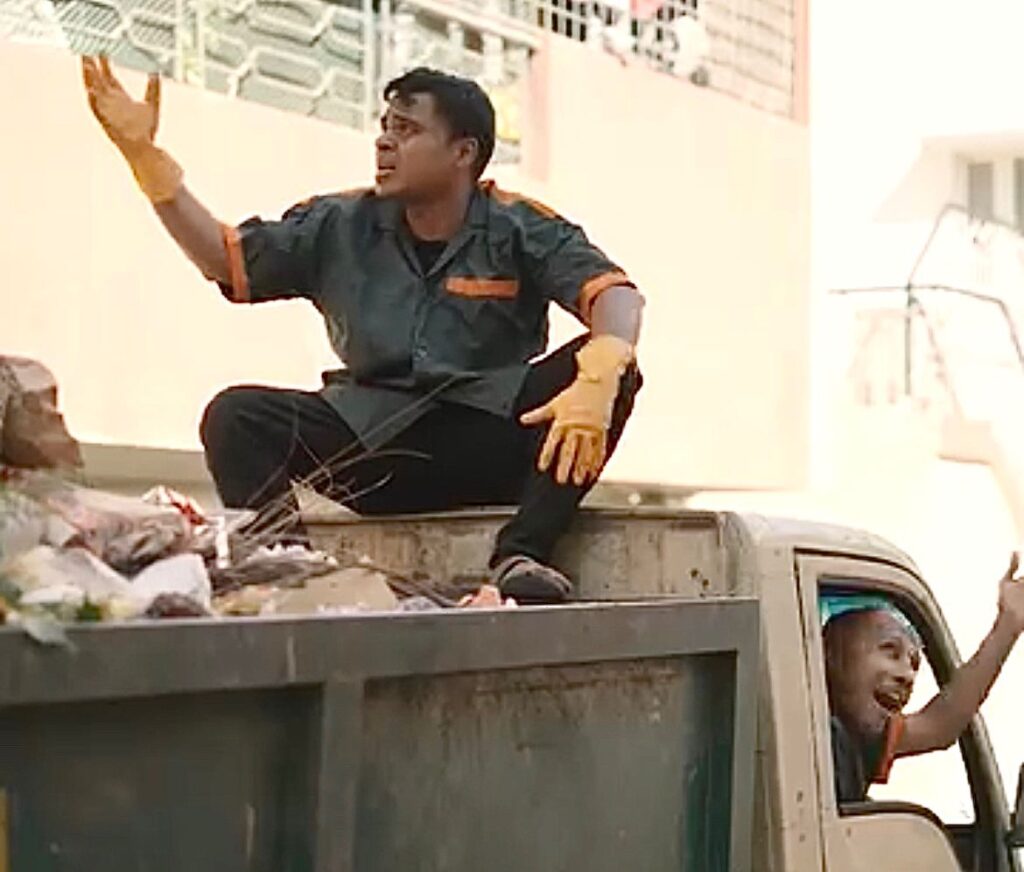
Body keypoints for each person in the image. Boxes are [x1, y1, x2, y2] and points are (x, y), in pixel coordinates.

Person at [79, 58, 645, 604]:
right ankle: (290, 570)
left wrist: (605, 361)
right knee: (236, 416)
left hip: (490, 439)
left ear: (463, 152)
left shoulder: (520, 225)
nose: (384, 142)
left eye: (407, 129)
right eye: (384, 127)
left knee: (612, 364)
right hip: (375, 447)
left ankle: (522, 556)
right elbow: (226, 259)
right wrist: (148, 163)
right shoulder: (339, 223)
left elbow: (614, 293)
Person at [823, 554, 1024, 804]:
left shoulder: (855, 739)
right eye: (890, 650)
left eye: (914, 664)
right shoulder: (795, 727)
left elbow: (940, 726)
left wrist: (1009, 623)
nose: (907, 675)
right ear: (830, 654)